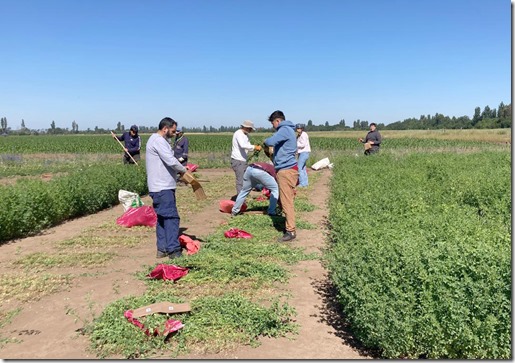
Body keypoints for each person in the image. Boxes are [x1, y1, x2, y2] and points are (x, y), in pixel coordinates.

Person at [145, 117, 187, 259]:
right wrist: (184, 171)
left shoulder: (155, 140)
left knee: (162, 218)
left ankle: (162, 248)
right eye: (173, 131)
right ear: (165, 129)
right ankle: (173, 250)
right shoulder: (158, 141)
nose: (175, 134)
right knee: (171, 217)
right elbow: (170, 160)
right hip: (162, 187)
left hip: (159, 186)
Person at [264, 110, 299, 242]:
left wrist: (265, 141)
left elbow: (270, 141)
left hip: (286, 171)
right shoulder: (288, 130)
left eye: (273, 123)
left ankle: (290, 231)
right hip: (287, 170)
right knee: (285, 200)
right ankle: (289, 226)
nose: (273, 126)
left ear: (277, 121)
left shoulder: (284, 129)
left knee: (286, 201)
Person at [230, 120, 261, 199]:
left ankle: (243, 196)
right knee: (240, 180)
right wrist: (254, 147)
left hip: (242, 160)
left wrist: (254, 148)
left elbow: (247, 146)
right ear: (246, 127)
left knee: (245, 179)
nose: (251, 131)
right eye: (250, 129)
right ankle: (240, 199)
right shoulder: (239, 134)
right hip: (238, 160)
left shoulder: (245, 135)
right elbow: (243, 145)